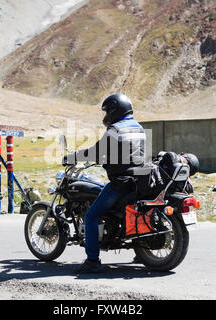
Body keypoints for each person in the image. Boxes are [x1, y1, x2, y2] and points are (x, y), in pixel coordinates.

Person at [63, 93, 146, 274]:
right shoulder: (138, 127)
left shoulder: (116, 129)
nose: (106, 115)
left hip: (120, 183)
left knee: (91, 216)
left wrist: (72, 157)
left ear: (115, 110)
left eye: (108, 111)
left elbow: (96, 152)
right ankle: (142, 250)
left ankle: (92, 261)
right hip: (139, 181)